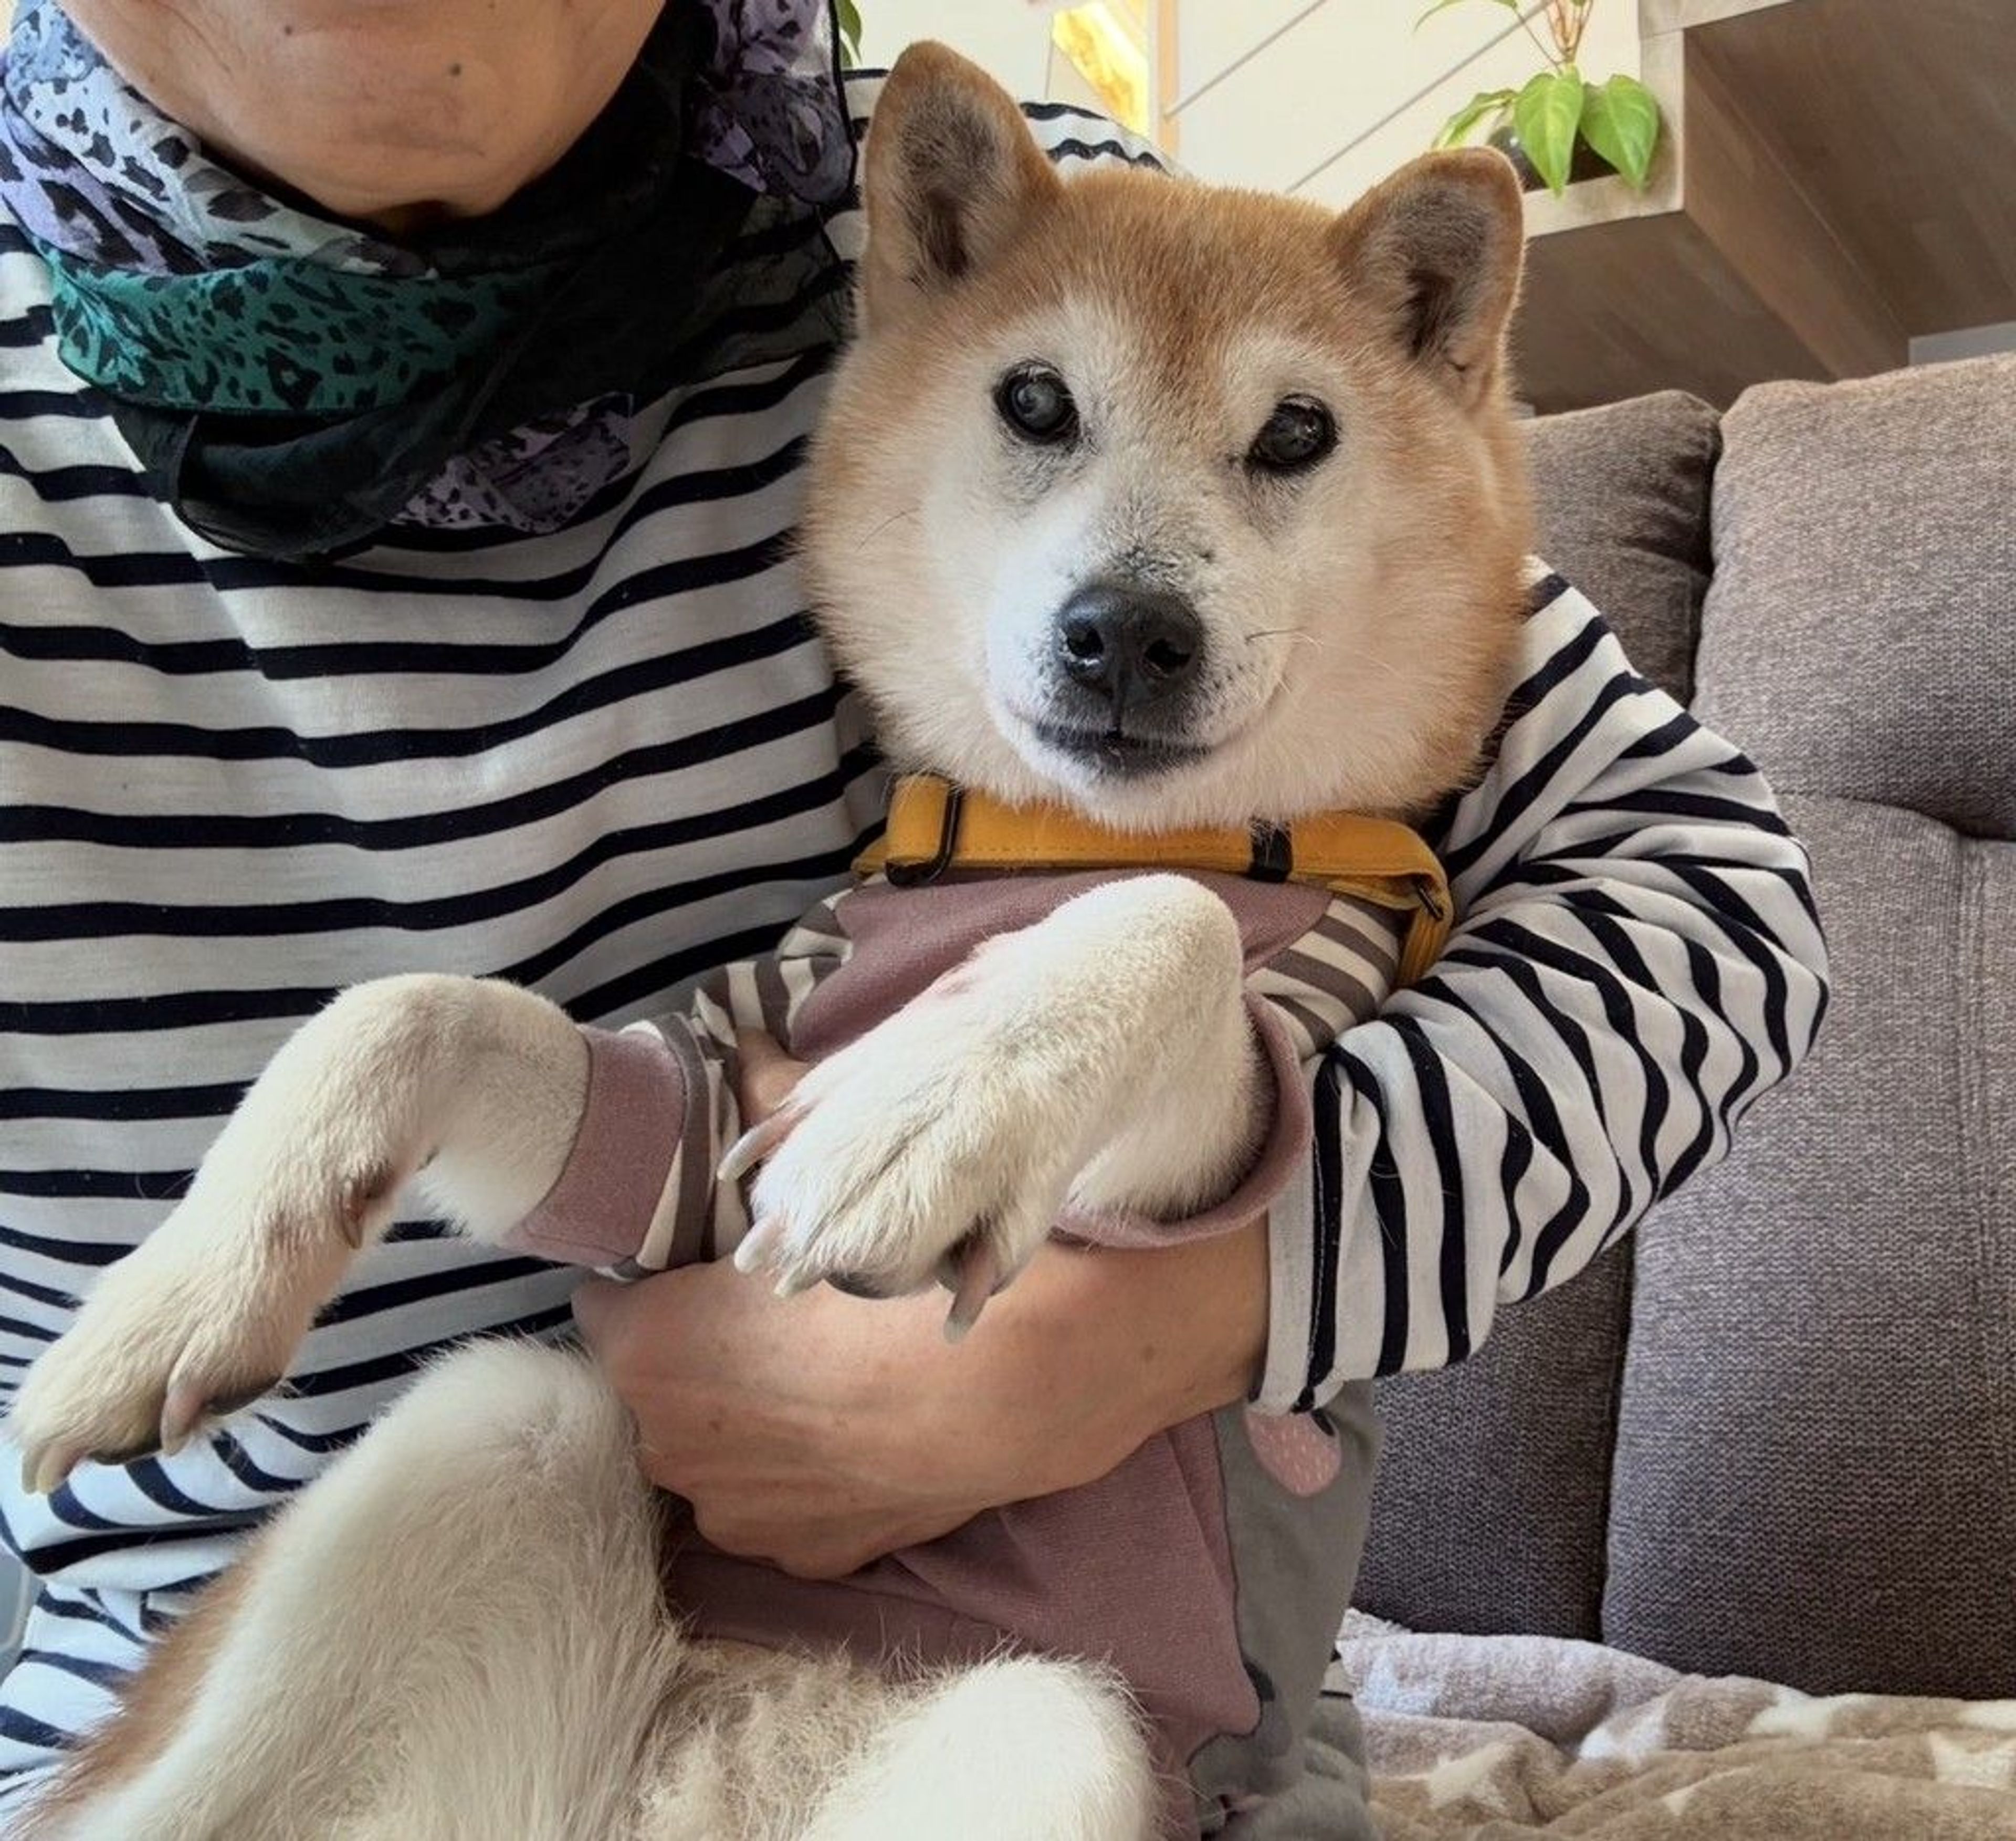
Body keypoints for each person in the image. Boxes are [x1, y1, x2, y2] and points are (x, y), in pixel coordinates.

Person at [0, 0, 1828, 1828]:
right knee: (504, 1430)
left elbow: (1721, 902)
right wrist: (383, 1080)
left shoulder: (1083, 225)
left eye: (1276, 447)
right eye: (1040, 414)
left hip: (1044, 1710)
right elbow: (681, 1124)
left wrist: (1168, 1312)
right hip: (347, 1660)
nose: (1133, 597)